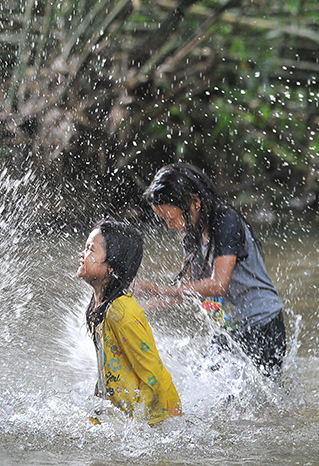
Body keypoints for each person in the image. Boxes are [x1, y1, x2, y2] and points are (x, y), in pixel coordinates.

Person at [137, 163, 286, 377]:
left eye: (171, 218)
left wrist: (156, 289)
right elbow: (185, 292)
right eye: (164, 220)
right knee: (206, 386)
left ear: (194, 202)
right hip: (228, 330)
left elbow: (218, 284)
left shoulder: (226, 221)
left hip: (262, 326)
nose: (169, 226)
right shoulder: (192, 233)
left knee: (261, 404)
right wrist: (138, 308)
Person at [78, 220, 181, 425]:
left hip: (159, 414)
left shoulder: (120, 312)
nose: (82, 254)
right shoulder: (99, 307)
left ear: (112, 267)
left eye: (91, 249)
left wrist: (148, 428)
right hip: (134, 413)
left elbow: (153, 375)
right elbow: (107, 367)